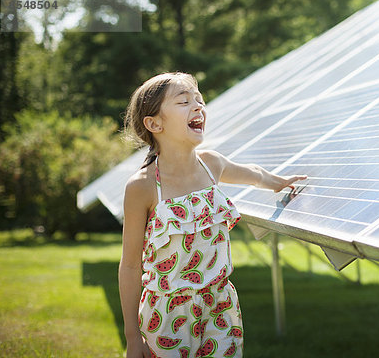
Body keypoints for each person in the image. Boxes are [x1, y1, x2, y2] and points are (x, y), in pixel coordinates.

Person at [119, 72, 307, 358]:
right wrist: (133, 337)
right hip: (166, 317)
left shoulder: (211, 164)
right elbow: (131, 266)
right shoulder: (142, 186)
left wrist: (278, 182)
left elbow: (253, 174)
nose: (198, 106)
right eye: (184, 102)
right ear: (154, 123)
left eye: (200, 100)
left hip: (220, 307)